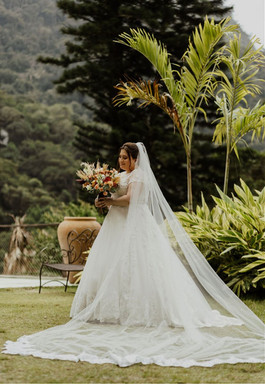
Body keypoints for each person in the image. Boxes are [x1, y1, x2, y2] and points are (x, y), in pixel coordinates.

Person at [3, 142, 265, 367]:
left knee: (140, 265)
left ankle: (146, 311)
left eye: (125, 157)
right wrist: (101, 199)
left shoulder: (139, 176)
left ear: (135, 159)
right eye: (120, 157)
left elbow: (131, 200)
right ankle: (108, 309)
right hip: (115, 226)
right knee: (111, 265)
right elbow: (114, 198)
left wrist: (111, 200)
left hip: (135, 226)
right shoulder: (118, 174)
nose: (121, 161)